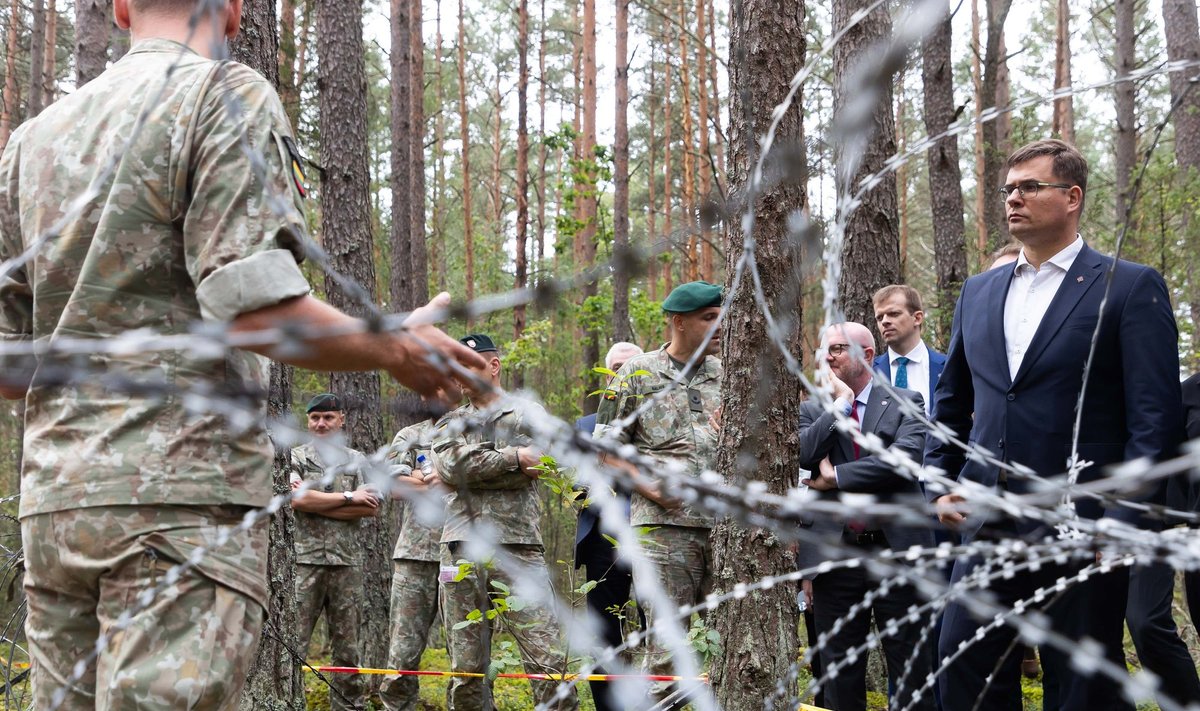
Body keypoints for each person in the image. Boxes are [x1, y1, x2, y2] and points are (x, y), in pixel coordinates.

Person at [0, 1, 482, 706]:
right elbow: (255, 311)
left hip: (58, 508)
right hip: (181, 504)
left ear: (121, 8)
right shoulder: (224, 95)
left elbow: (10, 368)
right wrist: (394, 347)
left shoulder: (31, 141)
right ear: (231, 12)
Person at [926, 139, 1184, 711]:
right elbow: (951, 400)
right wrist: (938, 480)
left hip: (1082, 525)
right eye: (1008, 190)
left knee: (1080, 686)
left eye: (1029, 187)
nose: (1013, 199)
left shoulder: (1129, 286)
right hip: (986, 522)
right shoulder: (979, 290)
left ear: (1072, 197)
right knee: (964, 669)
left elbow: (1154, 421)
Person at [593, 281, 723, 704]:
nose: (719, 325)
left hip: (728, 530)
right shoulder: (637, 372)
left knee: (727, 648)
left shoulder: (729, 373)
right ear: (678, 322)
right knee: (667, 650)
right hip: (664, 530)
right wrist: (649, 486)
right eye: (709, 317)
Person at [431, 334, 578, 711]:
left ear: (493, 366)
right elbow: (450, 466)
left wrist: (473, 466)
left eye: (469, 363)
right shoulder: (450, 421)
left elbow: (550, 461)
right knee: (467, 668)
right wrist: (515, 458)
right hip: (460, 549)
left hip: (519, 548)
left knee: (545, 659)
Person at [797, 322, 935, 711]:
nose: (828, 357)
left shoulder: (907, 400)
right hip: (835, 558)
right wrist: (840, 405)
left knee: (911, 664)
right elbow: (805, 453)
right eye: (825, 350)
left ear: (868, 355)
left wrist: (835, 476)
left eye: (838, 348)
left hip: (897, 552)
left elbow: (904, 462)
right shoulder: (812, 409)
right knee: (839, 670)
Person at [288, 394, 378, 711]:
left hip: (347, 564)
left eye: (328, 417)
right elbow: (297, 500)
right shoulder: (294, 457)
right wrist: (350, 497)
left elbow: (371, 509)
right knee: (292, 645)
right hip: (304, 562)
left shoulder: (357, 460)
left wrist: (321, 505)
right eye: (315, 418)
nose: (321, 424)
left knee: (348, 650)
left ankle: (348, 707)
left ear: (342, 419)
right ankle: (289, 704)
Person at [574, 341, 643, 711]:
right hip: (602, 540)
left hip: (654, 536)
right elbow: (576, 483)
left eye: (632, 366)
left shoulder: (660, 421)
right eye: (617, 367)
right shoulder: (585, 426)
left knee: (657, 630)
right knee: (603, 635)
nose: (624, 373)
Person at [379, 415, 443, 711]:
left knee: (470, 660)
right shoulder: (411, 434)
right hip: (414, 555)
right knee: (401, 657)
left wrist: (420, 476)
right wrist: (444, 480)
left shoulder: (477, 428)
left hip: (464, 554)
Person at [871, 285, 945, 416]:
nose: (885, 322)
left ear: (917, 318)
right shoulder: (869, 372)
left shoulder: (947, 367)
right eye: (879, 317)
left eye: (894, 314)